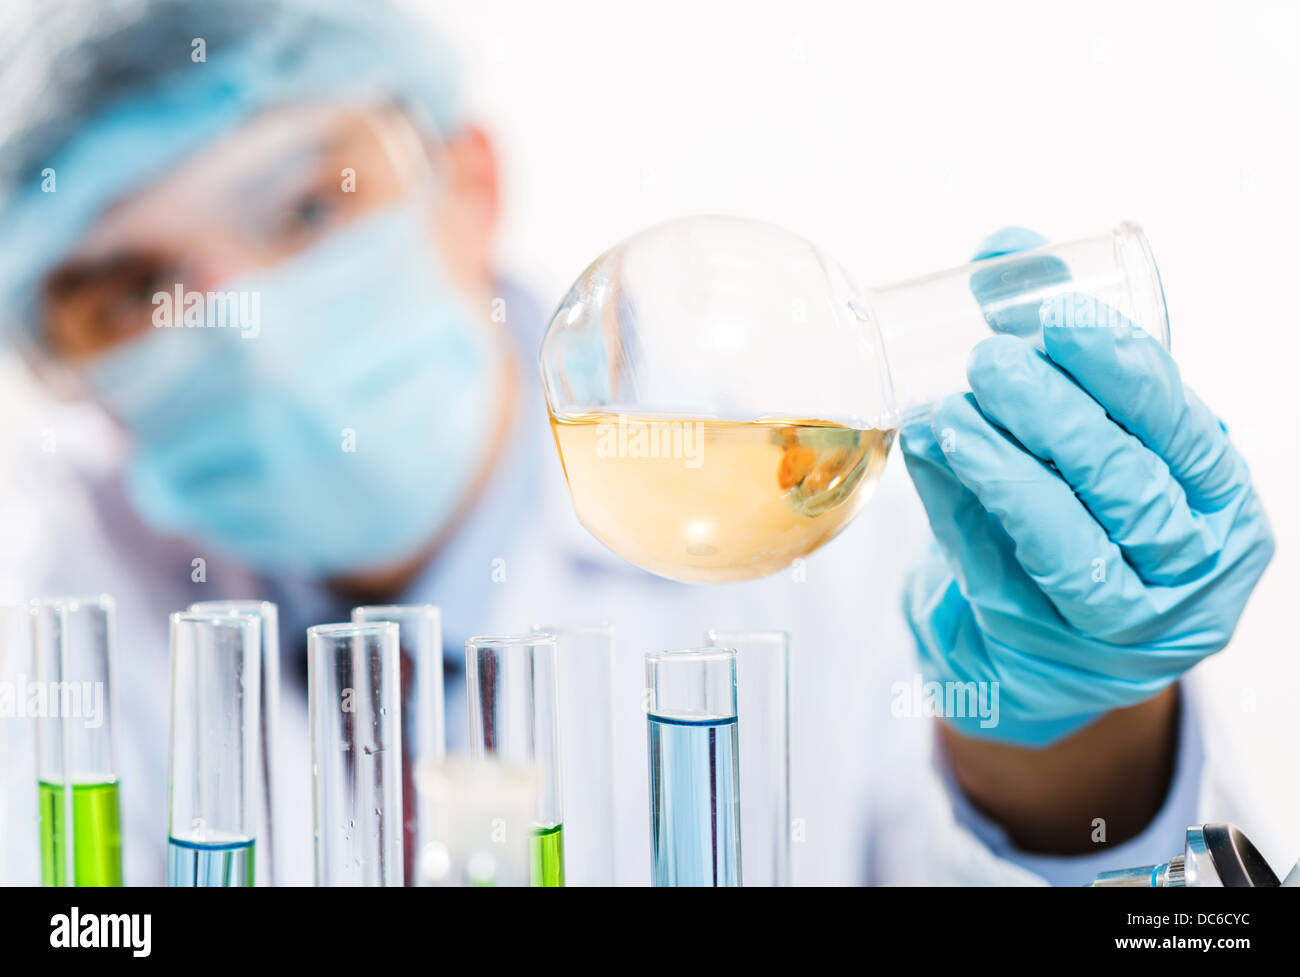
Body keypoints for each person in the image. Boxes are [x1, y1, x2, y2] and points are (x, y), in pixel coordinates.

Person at [0, 0, 1275, 885]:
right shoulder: (65, 621)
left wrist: (1080, 754)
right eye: (133, 292)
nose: (248, 330)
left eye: (303, 201)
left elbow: (1182, 931)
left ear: (471, 182)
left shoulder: (816, 510)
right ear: (65, 371)